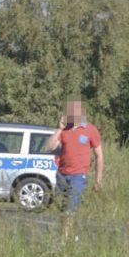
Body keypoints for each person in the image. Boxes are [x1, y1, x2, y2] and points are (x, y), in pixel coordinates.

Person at [47, 100, 104, 234]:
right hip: (62, 174)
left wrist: (98, 179)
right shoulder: (65, 130)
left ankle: (64, 239)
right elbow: (49, 147)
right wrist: (59, 129)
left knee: (70, 208)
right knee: (61, 207)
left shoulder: (90, 130)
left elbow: (99, 156)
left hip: (78, 175)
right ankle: (66, 233)